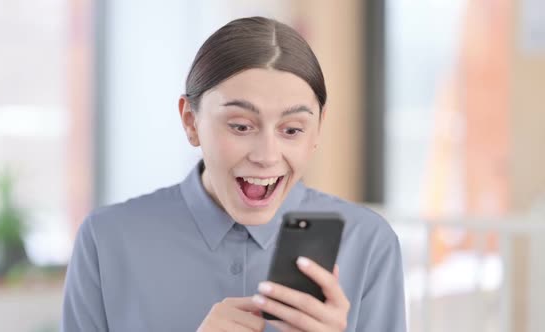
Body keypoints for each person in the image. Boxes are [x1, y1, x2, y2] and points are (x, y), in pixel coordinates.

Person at [61, 16, 406, 332]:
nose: (267, 156)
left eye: (292, 129)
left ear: (318, 129)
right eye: (241, 126)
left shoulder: (369, 243)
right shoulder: (106, 241)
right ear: (190, 121)